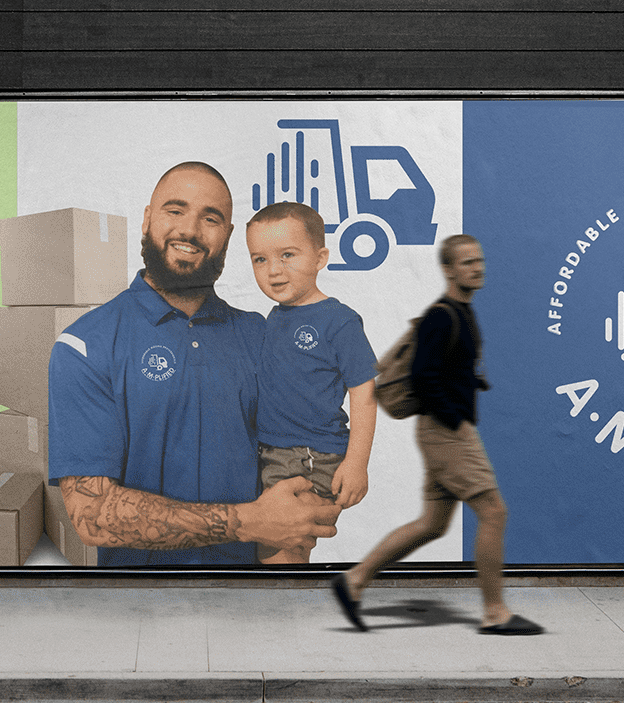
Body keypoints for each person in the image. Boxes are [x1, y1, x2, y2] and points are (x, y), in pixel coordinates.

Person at [49, 161, 341, 566]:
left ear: (229, 237)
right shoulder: (85, 344)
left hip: (251, 601)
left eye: (211, 218)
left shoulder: (265, 336)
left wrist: (305, 514)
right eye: (175, 210)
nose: (190, 229)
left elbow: (304, 449)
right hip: (136, 608)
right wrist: (247, 522)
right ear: (148, 218)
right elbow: (93, 516)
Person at [333, 234, 543, 635]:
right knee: (494, 512)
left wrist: (470, 383)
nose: (476, 268)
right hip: (448, 434)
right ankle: (495, 612)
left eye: (479, 260)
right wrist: (455, 418)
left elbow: (444, 371)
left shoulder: (464, 312)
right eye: (466, 262)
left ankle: (354, 580)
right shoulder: (440, 316)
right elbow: (424, 378)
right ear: (448, 269)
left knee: (432, 523)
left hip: (442, 432)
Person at [246, 202, 377, 565]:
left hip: (308, 456)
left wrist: (356, 463)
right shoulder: (272, 318)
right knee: (266, 545)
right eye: (260, 259)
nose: (274, 271)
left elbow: (364, 394)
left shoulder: (339, 320)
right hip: (270, 450)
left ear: (320, 258)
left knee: (281, 549)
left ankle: (285, 618)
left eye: (288, 255)